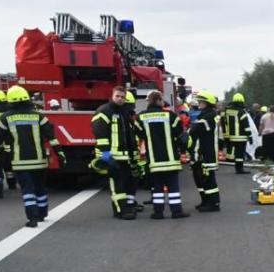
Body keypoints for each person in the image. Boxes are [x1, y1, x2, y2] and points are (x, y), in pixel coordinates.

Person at [0, 86, 56, 227]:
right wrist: (59, 153)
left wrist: (0, 152)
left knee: (27, 190)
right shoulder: (38, 116)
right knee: (40, 188)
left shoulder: (5, 118)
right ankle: (42, 214)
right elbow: (51, 135)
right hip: (39, 160)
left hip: (20, 161)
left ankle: (32, 218)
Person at [137, 90, 188, 219]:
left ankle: (158, 212)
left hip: (154, 161)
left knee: (157, 187)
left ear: (148, 102)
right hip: (171, 160)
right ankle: (177, 212)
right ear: (160, 101)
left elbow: (139, 134)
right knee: (173, 188)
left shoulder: (141, 117)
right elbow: (180, 134)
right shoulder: (171, 116)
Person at [92, 88, 141, 219]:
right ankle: (122, 211)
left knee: (124, 184)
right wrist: (106, 156)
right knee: (117, 185)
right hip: (112, 156)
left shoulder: (125, 112)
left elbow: (130, 135)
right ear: (112, 96)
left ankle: (123, 209)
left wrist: (133, 157)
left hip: (125, 156)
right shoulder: (104, 111)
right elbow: (100, 135)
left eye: (122, 97)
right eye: (117, 96)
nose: (120, 99)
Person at [186, 90, 222, 211]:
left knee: (208, 179)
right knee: (199, 177)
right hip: (203, 152)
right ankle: (205, 200)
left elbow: (195, 131)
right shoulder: (208, 115)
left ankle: (213, 204)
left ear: (207, 103)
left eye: (201, 101)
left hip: (206, 153)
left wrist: (187, 132)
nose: (199, 103)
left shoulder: (209, 117)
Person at [220, 92, 250, 173]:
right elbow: (245, 125)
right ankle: (240, 169)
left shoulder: (228, 111)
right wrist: (249, 135)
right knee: (240, 154)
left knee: (237, 153)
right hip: (241, 136)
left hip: (232, 136)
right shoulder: (241, 111)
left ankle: (238, 169)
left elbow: (225, 121)